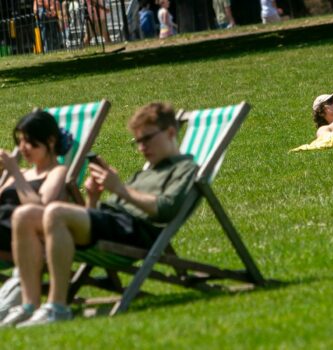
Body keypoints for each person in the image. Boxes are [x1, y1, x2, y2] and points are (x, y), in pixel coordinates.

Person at [2, 102, 197, 327]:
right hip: (112, 224)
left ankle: (57, 307)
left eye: (147, 139)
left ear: (171, 133)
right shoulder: (149, 171)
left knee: (54, 211)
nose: (142, 147)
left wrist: (121, 189)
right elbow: (97, 217)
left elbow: (165, 209)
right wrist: (93, 197)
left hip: (133, 231)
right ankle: (28, 305)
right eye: (138, 142)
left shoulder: (185, 169)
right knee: (23, 215)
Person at [0, 110, 72, 321]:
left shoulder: (57, 171)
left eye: (30, 142)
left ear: (50, 141)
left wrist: (14, 173)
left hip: (20, 234)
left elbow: (40, 208)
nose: (23, 148)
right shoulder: (20, 173)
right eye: (20, 141)